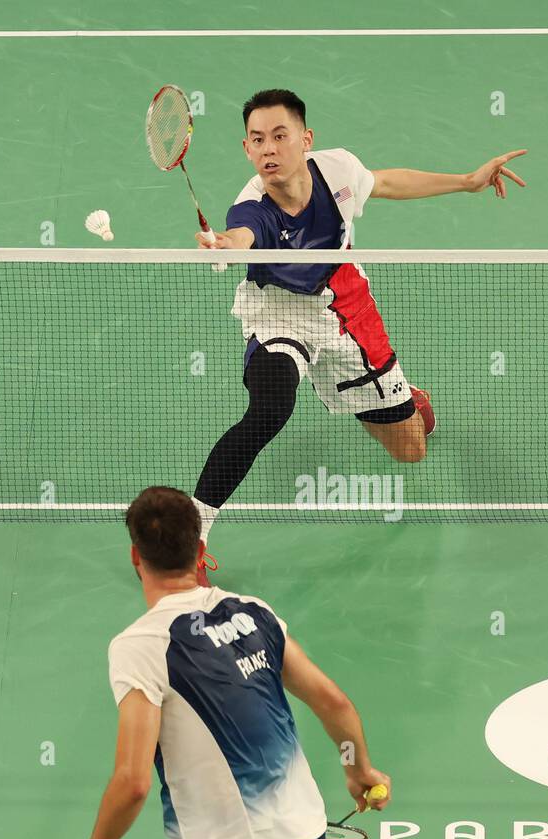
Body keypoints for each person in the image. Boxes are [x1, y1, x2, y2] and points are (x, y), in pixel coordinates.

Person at [54, 486, 391, 839]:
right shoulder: (252, 611)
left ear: (134, 557)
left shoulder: (142, 646)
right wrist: (359, 769)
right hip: (298, 832)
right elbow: (333, 702)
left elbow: (132, 782)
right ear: (199, 550)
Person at [190, 87, 527, 584]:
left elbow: (387, 182)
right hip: (280, 313)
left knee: (411, 449)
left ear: (305, 139)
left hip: (344, 305)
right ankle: (193, 534)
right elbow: (243, 237)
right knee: (269, 406)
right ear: (246, 148)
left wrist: (466, 181)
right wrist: (223, 243)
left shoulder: (339, 171)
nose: (269, 149)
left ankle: (405, 400)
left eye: (280, 136)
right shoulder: (251, 208)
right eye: (257, 139)